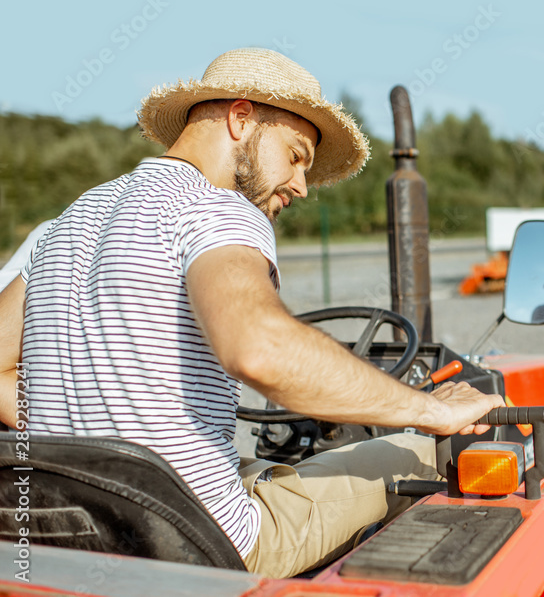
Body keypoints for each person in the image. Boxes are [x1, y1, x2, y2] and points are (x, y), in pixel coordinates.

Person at [0, 48, 504, 578]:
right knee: (420, 454)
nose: (301, 186)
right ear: (241, 118)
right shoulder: (217, 208)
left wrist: (83, 427)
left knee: (268, 467)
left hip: (70, 538)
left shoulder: (71, 219)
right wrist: (429, 411)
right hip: (204, 544)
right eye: (296, 155)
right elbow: (261, 350)